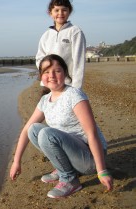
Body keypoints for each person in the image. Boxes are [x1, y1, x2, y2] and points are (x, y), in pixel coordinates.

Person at [9, 54, 113, 198]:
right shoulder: (45, 100)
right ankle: (63, 167)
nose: (51, 75)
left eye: (57, 71)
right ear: (41, 76)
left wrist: (102, 171)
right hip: (72, 152)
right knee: (33, 130)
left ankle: (69, 179)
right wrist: (16, 162)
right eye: (46, 71)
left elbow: (91, 133)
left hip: (90, 159)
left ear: (64, 73)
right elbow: (26, 130)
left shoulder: (74, 95)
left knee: (47, 134)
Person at [36, 0, 86, 90]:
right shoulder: (46, 35)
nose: (60, 13)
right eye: (56, 10)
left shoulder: (75, 31)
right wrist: (46, 75)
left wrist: (76, 88)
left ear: (69, 12)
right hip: (48, 84)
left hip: (67, 84)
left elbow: (79, 62)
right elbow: (39, 58)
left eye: (64, 10)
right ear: (50, 13)